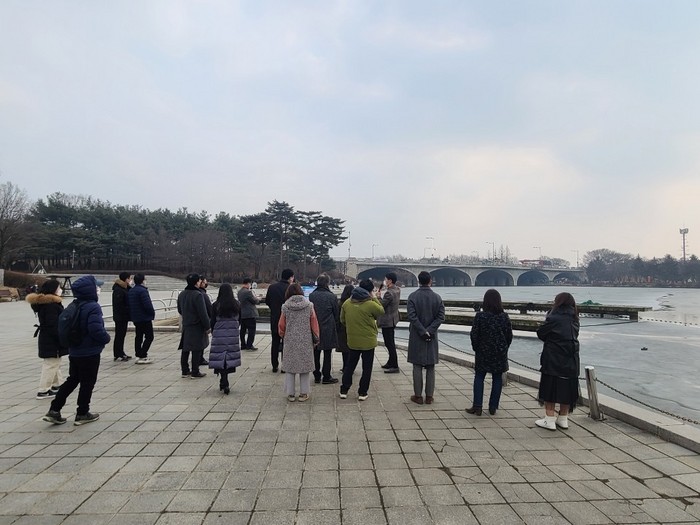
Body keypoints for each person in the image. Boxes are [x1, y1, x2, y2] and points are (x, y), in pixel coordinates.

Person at [43, 275, 110, 425]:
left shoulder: (73, 305)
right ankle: (82, 412)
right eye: (96, 287)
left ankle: (54, 409)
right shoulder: (93, 307)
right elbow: (95, 329)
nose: (98, 289)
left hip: (75, 351)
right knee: (87, 382)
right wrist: (106, 338)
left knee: (72, 379)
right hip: (90, 351)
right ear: (90, 290)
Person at [535, 292, 580, 430]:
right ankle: (563, 418)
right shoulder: (575, 318)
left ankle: (549, 419)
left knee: (550, 387)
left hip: (553, 358)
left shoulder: (553, 317)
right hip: (571, 359)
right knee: (567, 388)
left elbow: (541, 333)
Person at [467, 289, 513, 416]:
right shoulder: (504, 317)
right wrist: (504, 347)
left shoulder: (480, 316)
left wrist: (476, 347)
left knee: (479, 377)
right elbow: (509, 336)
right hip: (499, 352)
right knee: (497, 378)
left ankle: (477, 406)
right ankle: (493, 407)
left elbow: (474, 334)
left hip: (483, 351)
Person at [339, 279, 384, 401]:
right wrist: (374, 298)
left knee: (350, 366)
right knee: (367, 368)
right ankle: (362, 392)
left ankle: (344, 390)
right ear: (370, 291)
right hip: (368, 340)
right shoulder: (370, 304)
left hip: (352, 340)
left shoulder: (347, 303)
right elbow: (381, 311)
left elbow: (342, 320)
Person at [406, 271, 445, 405]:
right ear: (430, 281)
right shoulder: (437, 297)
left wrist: (422, 331)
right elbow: (441, 317)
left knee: (417, 365)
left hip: (416, 335)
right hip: (432, 336)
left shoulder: (412, 296)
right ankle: (429, 396)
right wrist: (430, 330)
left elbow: (412, 317)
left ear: (418, 281)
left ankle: (418, 396)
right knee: (430, 366)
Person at [27, 279, 67, 400]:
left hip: (47, 337)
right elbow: (52, 325)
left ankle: (57, 384)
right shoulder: (51, 305)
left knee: (54, 362)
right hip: (51, 339)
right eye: (58, 288)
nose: (60, 290)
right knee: (51, 364)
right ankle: (43, 390)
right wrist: (61, 337)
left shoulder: (47, 303)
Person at [278, 283, 319, 402]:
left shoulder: (285, 306)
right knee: (304, 367)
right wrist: (316, 337)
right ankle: (304, 393)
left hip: (290, 339)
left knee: (290, 366)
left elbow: (281, 325)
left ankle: (290, 393)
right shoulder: (309, 305)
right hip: (305, 340)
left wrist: (283, 335)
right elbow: (314, 323)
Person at [209, 283, 242, 395]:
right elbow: (239, 320)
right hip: (232, 334)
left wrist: (214, 332)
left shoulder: (216, 305)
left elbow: (212, 321)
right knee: (229, 356)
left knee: (220, 356)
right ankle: (225, 379)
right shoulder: (237, 305)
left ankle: (224, 379)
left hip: (219, 334)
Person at [178, 273, 211, 378]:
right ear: (197, 282)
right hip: (196, 325)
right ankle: (195, 371)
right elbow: (203, 313)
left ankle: (185, 370)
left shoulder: (182, 294)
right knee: (197, 348)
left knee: (185, 348)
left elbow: (179, 310)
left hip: (186, 324)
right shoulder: (198, 295)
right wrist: (208, 326)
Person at [309, 274, 340, 384]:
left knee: (315, 352)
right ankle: (326, 376)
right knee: (327, 353)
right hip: (328, 327)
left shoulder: (312, 296)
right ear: (327, 283)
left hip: (314, 327)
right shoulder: (332, 297)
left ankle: (316, 375)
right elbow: (336, 313)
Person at [265, 268, 294, 373]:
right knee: (286, 343)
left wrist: (274, 308)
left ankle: (274, 365)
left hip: (275, 318)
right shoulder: (291, 288)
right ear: (290, 277)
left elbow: (267, 301)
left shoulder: (272, 287)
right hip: (288, 319)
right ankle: (284, 365)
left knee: (275, 342)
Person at [127, 273, 155, 364]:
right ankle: (143, 354)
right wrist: (152, 313)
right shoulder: (143, 291)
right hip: (144, 317)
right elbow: (147, 305)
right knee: (149, 336)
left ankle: (138, 354)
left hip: (136, 317)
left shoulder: (131, 291)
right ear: (142, 280)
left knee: (138, 336)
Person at [378, 272, 401, 373]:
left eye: (386, 279)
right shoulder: (397, 290)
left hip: (387, 321)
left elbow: (380, 305)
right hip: (393, 319)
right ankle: (390, 362)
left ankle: (394, 365)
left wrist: (378, 297)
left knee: (389, 343)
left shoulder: (389, 293)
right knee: (390, 342)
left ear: (390, 281)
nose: (385, 281)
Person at [111, 272, 132, 362]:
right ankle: (118, 353)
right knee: (119, 335)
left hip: (123, 316)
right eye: (129, 278)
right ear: (126, 279)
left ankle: (120, 352)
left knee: (121, 335)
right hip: (120, 316)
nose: (130, 280)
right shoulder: (119, 290)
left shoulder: (125, 288)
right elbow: (119, 305)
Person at [238, 277, 260, 350]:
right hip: (250, 314)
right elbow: (254, 301)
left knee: (243, 330)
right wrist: (257, 298)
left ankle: (243, 344)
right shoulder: (248, 292)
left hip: (242, 313)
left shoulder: (239, 292)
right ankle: (249, 345)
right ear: (248, 284)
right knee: (251, 330)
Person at [336, 284, 354, 373]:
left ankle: (345, 366)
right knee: (351, 349)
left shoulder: (340, 303)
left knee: (344, 349)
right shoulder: (354, 303)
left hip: (342, 328)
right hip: (352, 327)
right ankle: (350, 366)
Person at [198, 276, 213, 366]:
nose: (206, 283)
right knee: (201, 341)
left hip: (190, 323)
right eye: (205, 282)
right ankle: (199, 359)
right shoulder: (202, 294)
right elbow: (208, 308)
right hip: (201, 322)